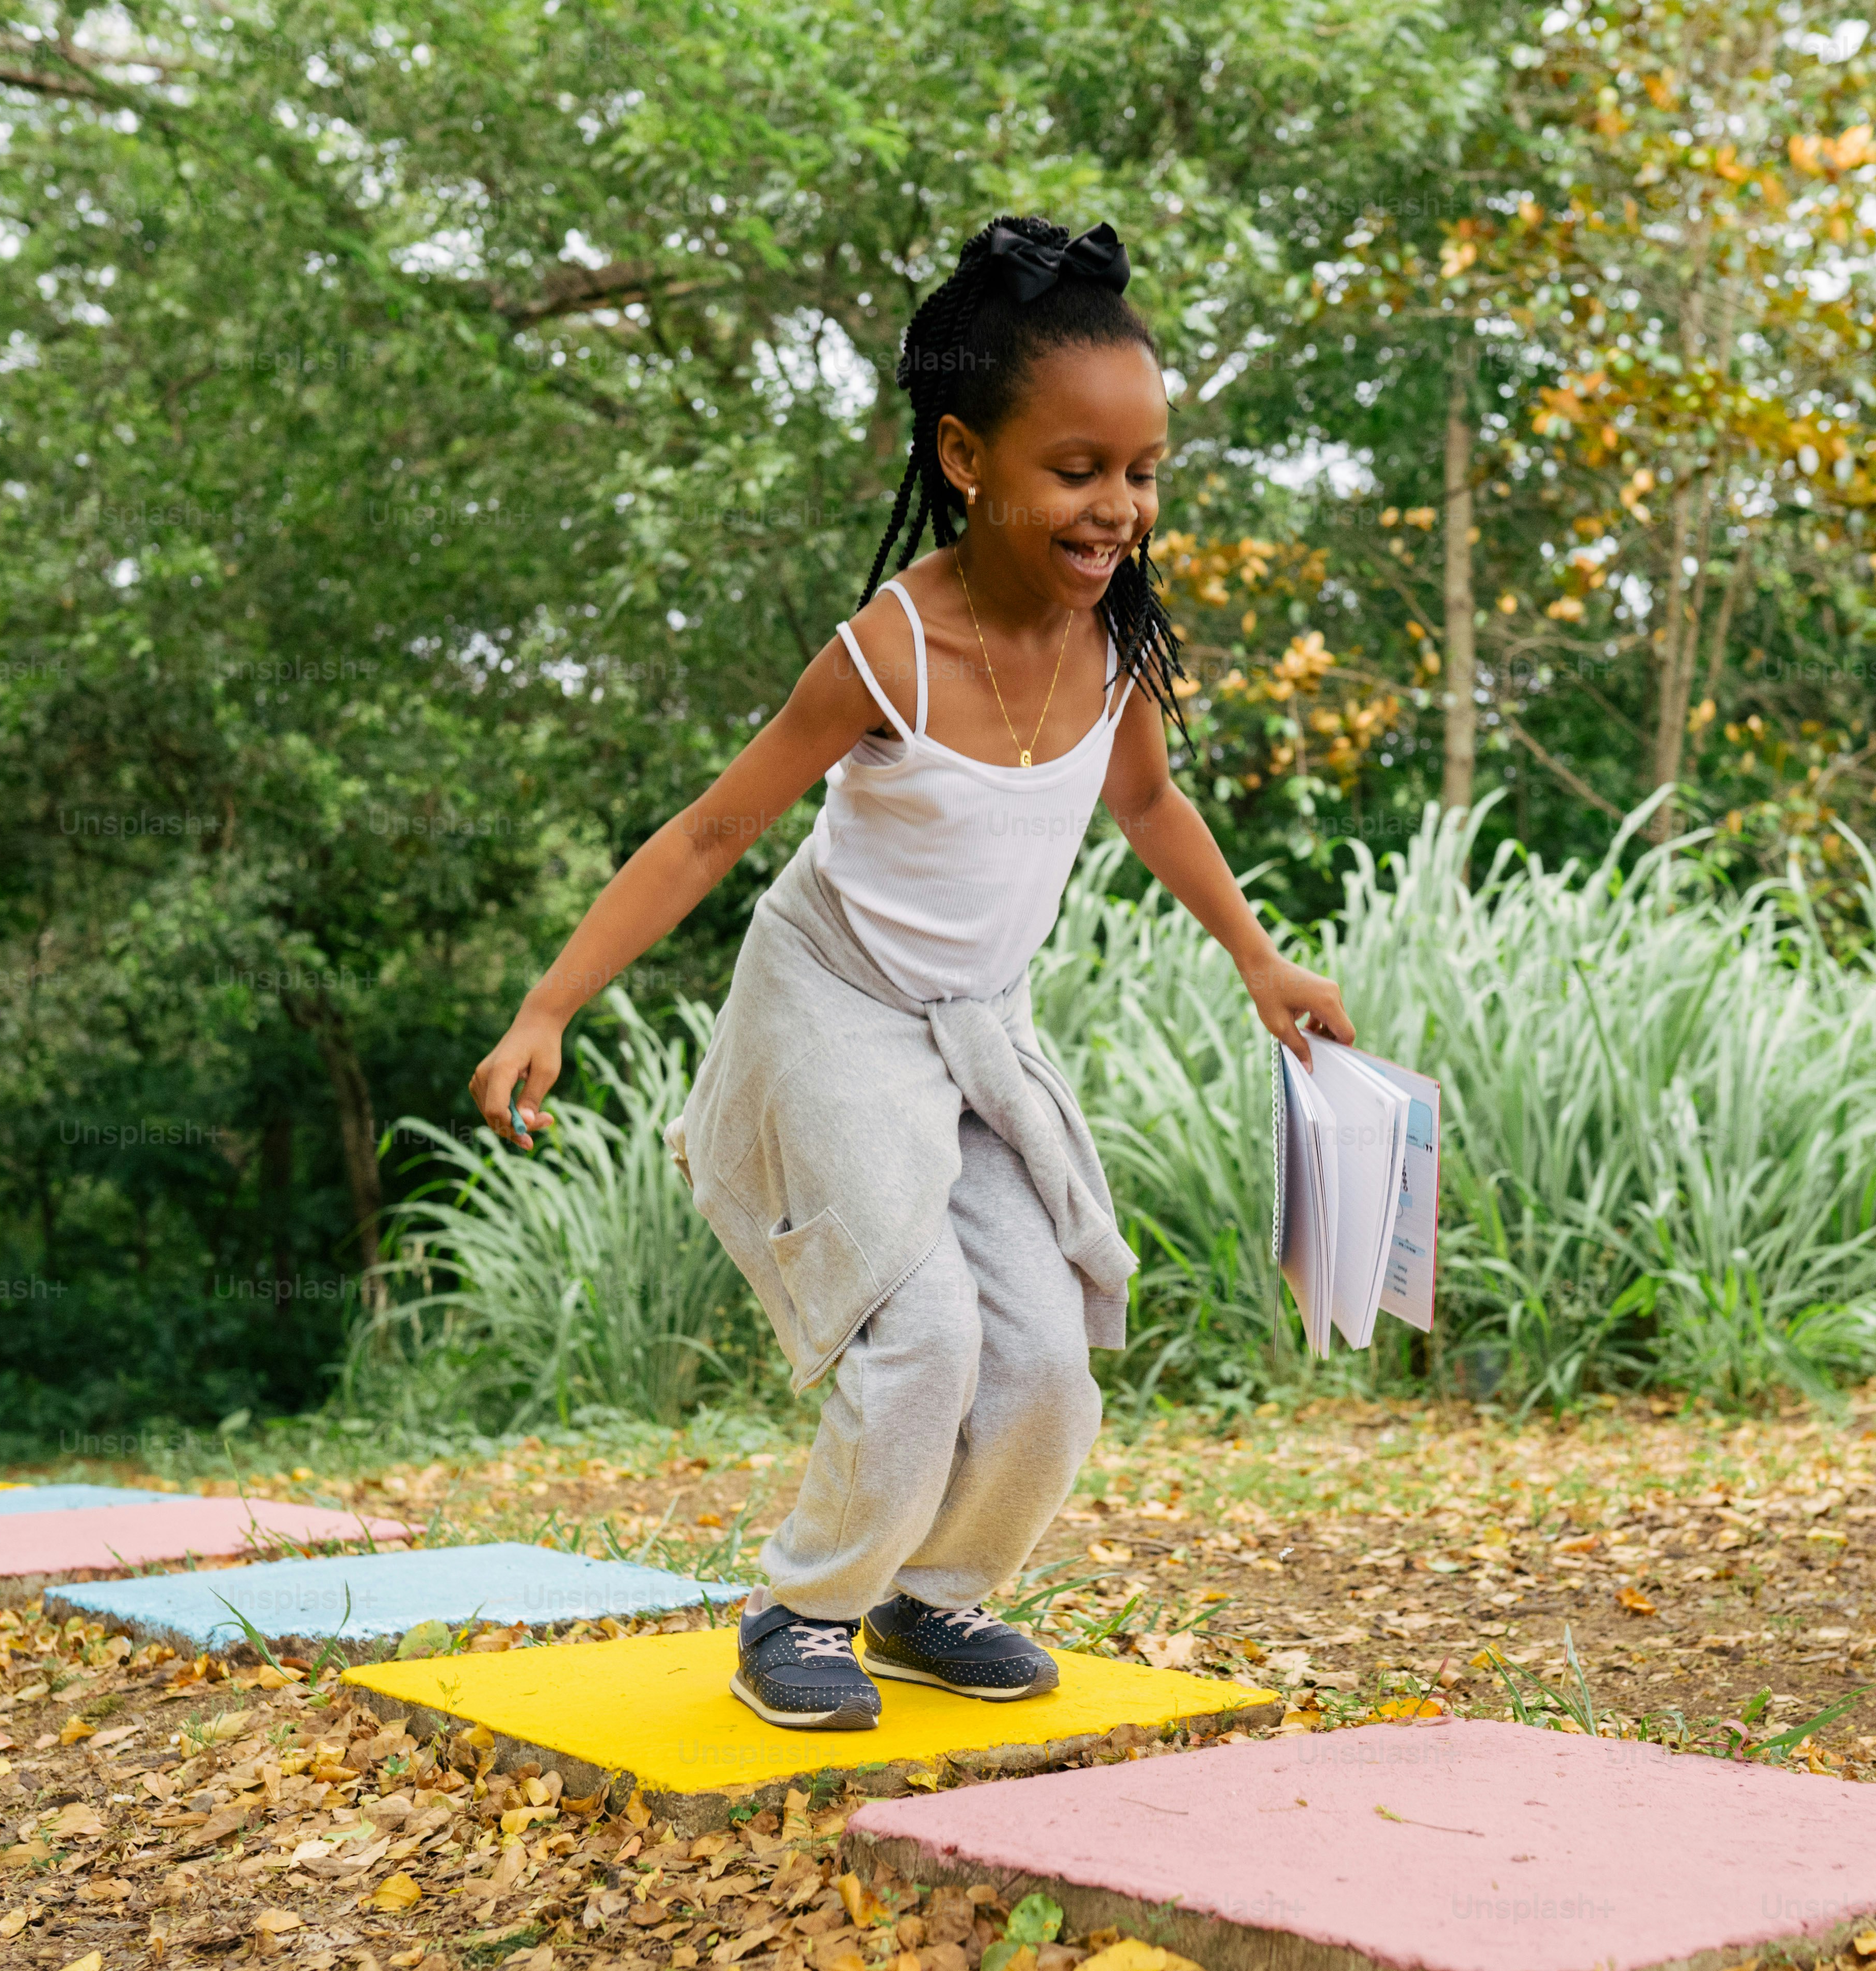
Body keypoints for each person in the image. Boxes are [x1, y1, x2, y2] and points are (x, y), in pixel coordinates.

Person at [471, 215, 1353, 1730]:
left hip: (970, 1029)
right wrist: (552, 1003)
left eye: (1141, 472)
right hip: (830, 1000)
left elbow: (1146, 803)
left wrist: (1257, 957)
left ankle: (929, 1597)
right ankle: (798, 1610)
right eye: (1076, 470)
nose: (1117, 507)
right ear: (963, 457)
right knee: (919, 1326)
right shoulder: (887, 651)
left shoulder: (1116, 646)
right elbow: (706, 837)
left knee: (1044, 1353)